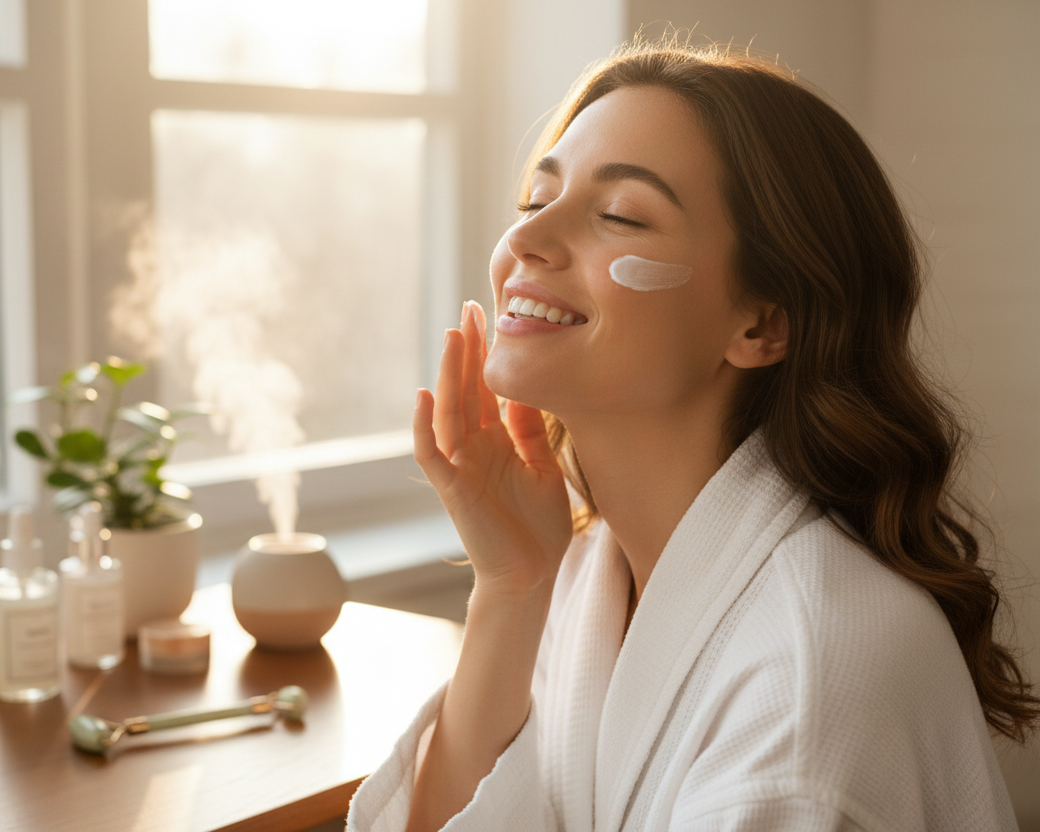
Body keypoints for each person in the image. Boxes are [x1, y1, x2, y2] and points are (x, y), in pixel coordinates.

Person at [345, 39, 1038, 832]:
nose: (525, 242)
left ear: (762, 323)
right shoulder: (593, 569)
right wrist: (512, 588)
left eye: (620, 215)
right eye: (536, 202)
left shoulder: (805, 678)